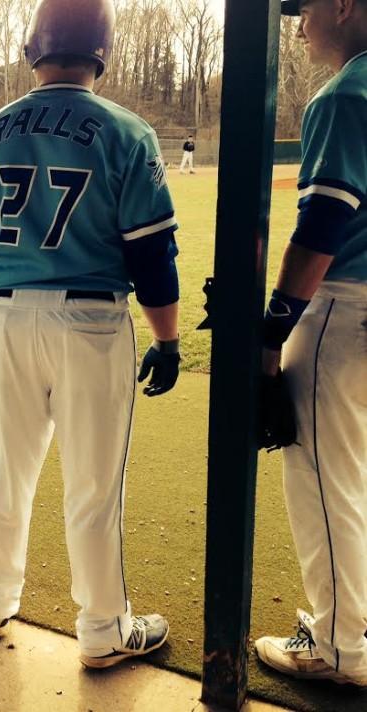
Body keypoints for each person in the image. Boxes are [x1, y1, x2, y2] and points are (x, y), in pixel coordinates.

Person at [0, 0, 182, 667]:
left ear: (34, 49)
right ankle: (103, 630)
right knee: (92, 485)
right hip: (91, 322)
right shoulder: (126, 131)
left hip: (8, 317)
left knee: (8, 470)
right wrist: (166, 341)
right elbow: (150, 260)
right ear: (101, 51)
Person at [253, 0, 367, 688]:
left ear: (345, 6)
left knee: (327, 479)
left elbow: (324, 222)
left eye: (304, 8)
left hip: (344, 307)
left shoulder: (348, 91)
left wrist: (273, 329)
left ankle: (336, 647)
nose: (296, 24)